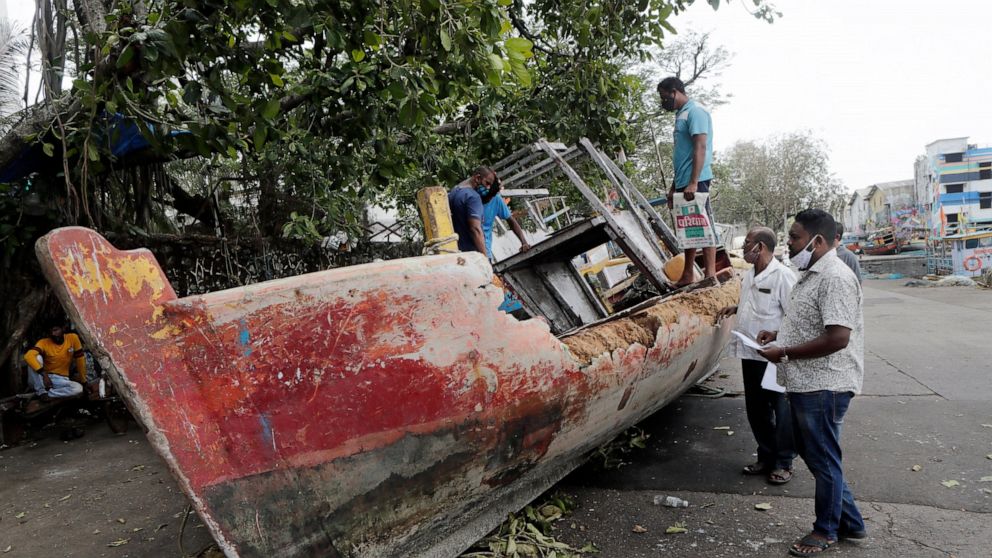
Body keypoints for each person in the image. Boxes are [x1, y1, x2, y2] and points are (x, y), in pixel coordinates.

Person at [756, 209, 866, 556]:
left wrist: (784, 350)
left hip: (825, 385)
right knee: (817, 456)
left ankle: (826, 531)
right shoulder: (811, 273)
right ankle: (852, 524)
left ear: (817, 241)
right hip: (806, 382)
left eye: (794, 237)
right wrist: (779, 333)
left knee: (823, 458)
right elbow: (814, 322)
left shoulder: (834, 277)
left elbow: (837, 338)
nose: (788, 244)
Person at [718, 227, 797, 485]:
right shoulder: (750, 275)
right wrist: (735, 308)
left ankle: (783, 462)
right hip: (750, 352)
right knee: (756, 410)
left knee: (781, 410)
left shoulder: (783, 276)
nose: (743, 250)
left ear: (760, 247)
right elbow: (754, 305)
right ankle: (766, 456)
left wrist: (776, 334)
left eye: (747, 245)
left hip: (774, 356)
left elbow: (796, 318)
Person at [658, 76, 717, 286]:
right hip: (683, 179)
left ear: (675, 91)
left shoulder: (696, 111)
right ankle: (688, 274)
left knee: (704, 223)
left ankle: (710, 275)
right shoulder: (680, 115)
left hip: (697, 178)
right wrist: (674, 187)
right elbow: (681, 155)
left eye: (665, 97)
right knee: (688, 227)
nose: (663, 102)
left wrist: (693, 181)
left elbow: (700, 147)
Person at [24, 324, 87, 401]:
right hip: (40, 379)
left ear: (63, 329)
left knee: (78, 388)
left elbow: (80, 360)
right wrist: (44, 375)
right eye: (50, 331)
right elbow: (28, 356)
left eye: (56, 330)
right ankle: (41, 392)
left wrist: (84, 381)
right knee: (36, 357)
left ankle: (49, 394)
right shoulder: (44, 342)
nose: (53, 334)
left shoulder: (72, 338)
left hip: (59, 380)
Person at [481, 178, 531, 260]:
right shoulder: (473, 198)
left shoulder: (496, 199)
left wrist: (524, 242)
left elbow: (511, 221)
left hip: (485, 249)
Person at [448, 166, 493, 255]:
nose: (488, 188)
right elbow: (475, 229)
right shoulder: (473, 197)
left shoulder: (454, 192)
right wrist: (485, 258)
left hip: (455, 251)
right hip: (470, 254)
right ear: (477, 178)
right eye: (487, 183)